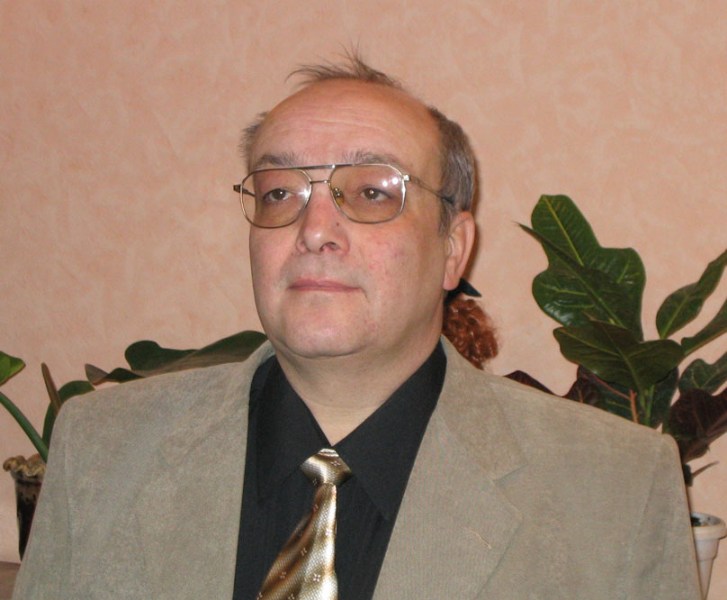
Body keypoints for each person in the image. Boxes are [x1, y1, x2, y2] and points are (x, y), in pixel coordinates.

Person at [12, 55, 701, 600]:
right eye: (279, 192)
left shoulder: (616, 491)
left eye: (373, 192)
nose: (314, 229)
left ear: (453, 248)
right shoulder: (101, 451)